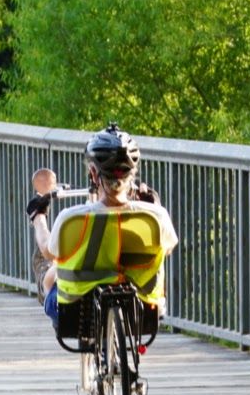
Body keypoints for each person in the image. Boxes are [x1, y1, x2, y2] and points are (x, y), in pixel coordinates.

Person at [32, 124, 178, 326]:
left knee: (50, 268)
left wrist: (38, 217)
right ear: (131, 175)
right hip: (142, 308)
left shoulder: (70, 218)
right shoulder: (156, 215)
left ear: (93, 173)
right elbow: (167, 247)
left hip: (77, 309)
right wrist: (151, 204)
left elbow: (48, 249)